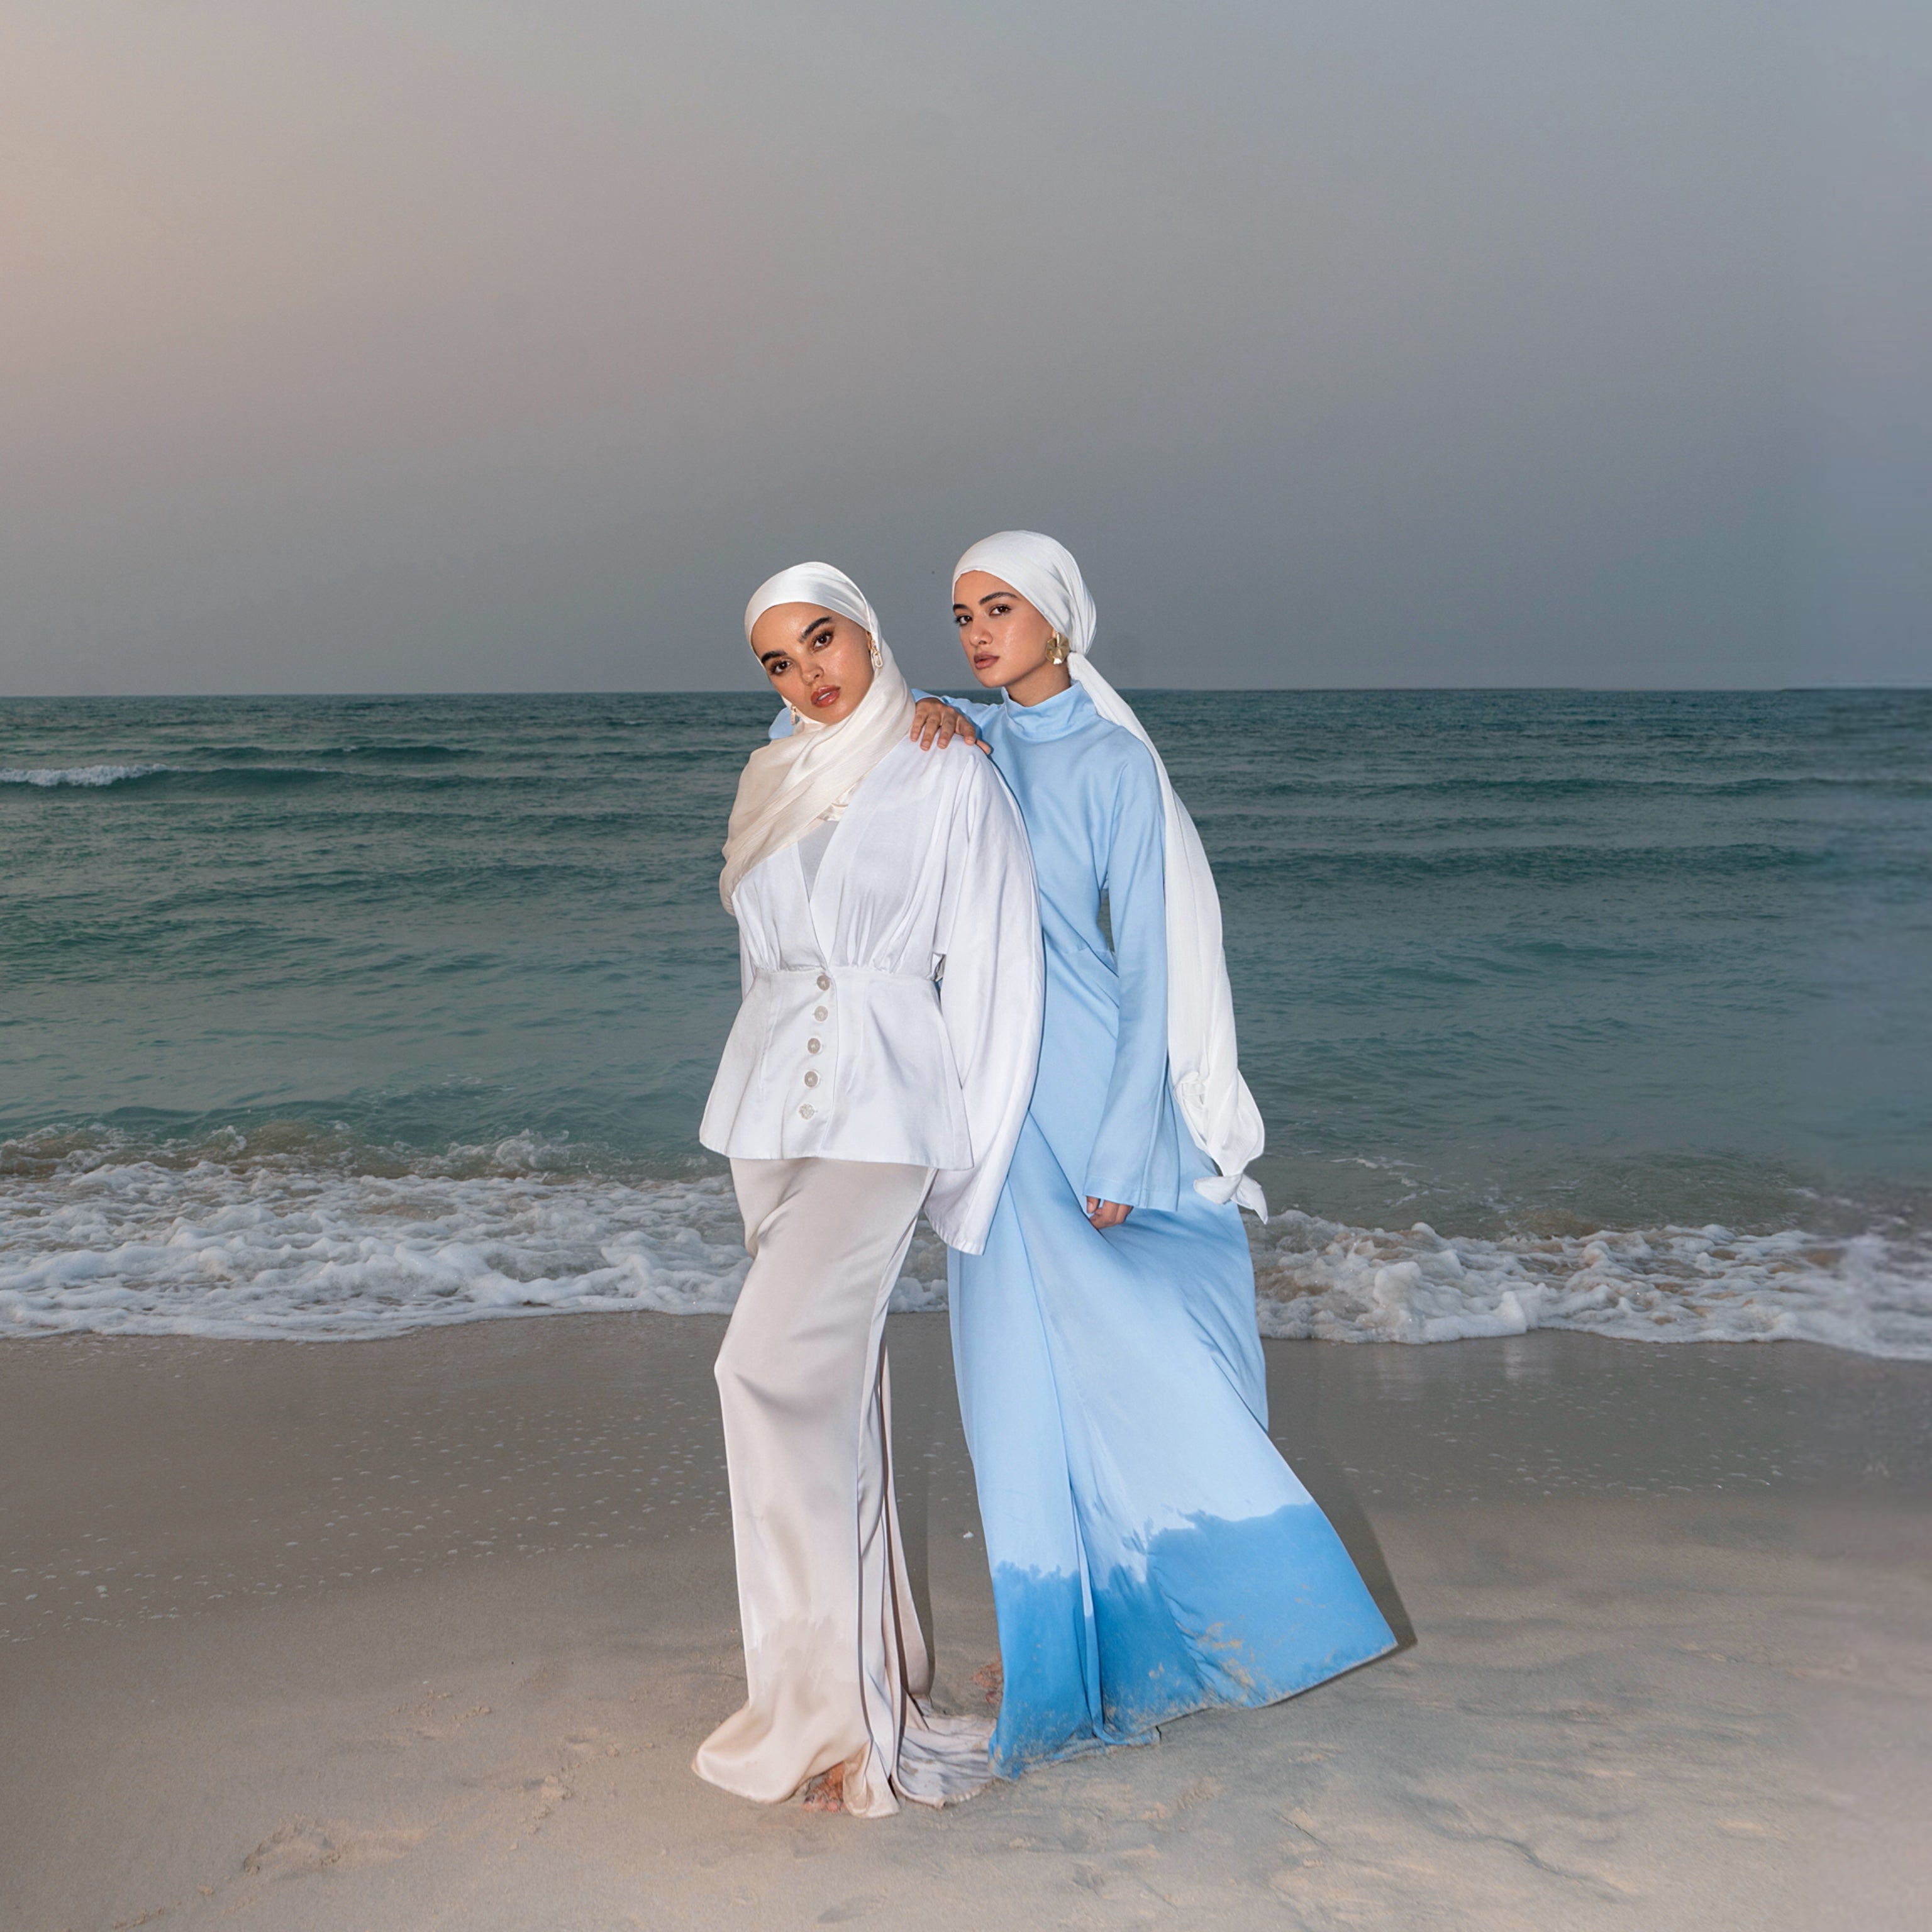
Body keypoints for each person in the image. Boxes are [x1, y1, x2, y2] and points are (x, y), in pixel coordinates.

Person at [941, 531, 1396, 1775]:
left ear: (1059, 619)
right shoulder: (962, 739)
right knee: (1014, 1369)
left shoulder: (1110, 762)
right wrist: (920, 715)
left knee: (1150, 1353)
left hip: (1087, 1080)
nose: (977, 633)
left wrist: (1124, 1146)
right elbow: (807, 733)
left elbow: (1147, 972)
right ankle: (1052, 1641)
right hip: (988, 1094)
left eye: (1000, 609)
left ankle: (1228, 1608)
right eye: (963, 614)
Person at [694, 562, 1043, 1818]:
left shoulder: (948, 765)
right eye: (780, 662)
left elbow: (1000, 968)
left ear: (868, 632)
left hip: (888, 1113)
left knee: (762, 1374)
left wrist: (973, 1171)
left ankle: (827, 1710)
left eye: (823, 640)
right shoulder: (770, 777)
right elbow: (762, 970)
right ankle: (872, 1683)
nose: (809, 674)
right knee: (842, 1408)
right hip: (772, 1119)